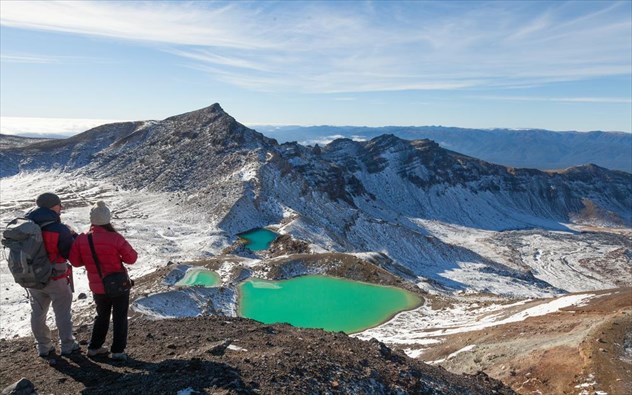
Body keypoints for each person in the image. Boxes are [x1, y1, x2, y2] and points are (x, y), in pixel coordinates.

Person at [69, 201, 137, 361]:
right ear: (107, 219)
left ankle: (94, 347)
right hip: (119, 285)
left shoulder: (82, 239)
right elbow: (132, 258)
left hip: (97, 286)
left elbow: (75, 262)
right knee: (120, 317)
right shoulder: (115, 238)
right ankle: (118, 351)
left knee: (102, 315)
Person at [26, 192, 80, 357]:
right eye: (59, 205)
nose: (61, 208)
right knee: (62, 312)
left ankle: (43, 346)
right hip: (56, 277)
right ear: (52, 207)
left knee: (38, 313)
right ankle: (67, 345)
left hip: (32, 277)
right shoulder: (59, 229)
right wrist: (73, 235)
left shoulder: (26, 226)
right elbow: (71, 253)